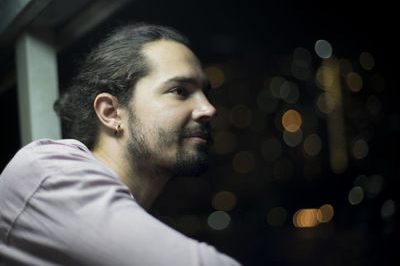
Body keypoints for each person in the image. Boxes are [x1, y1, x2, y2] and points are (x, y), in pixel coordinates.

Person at [0, 23, 241, 266]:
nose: (208, 109)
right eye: (179, 91)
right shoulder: (48, 171)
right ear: (111, 112)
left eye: (206, 94)